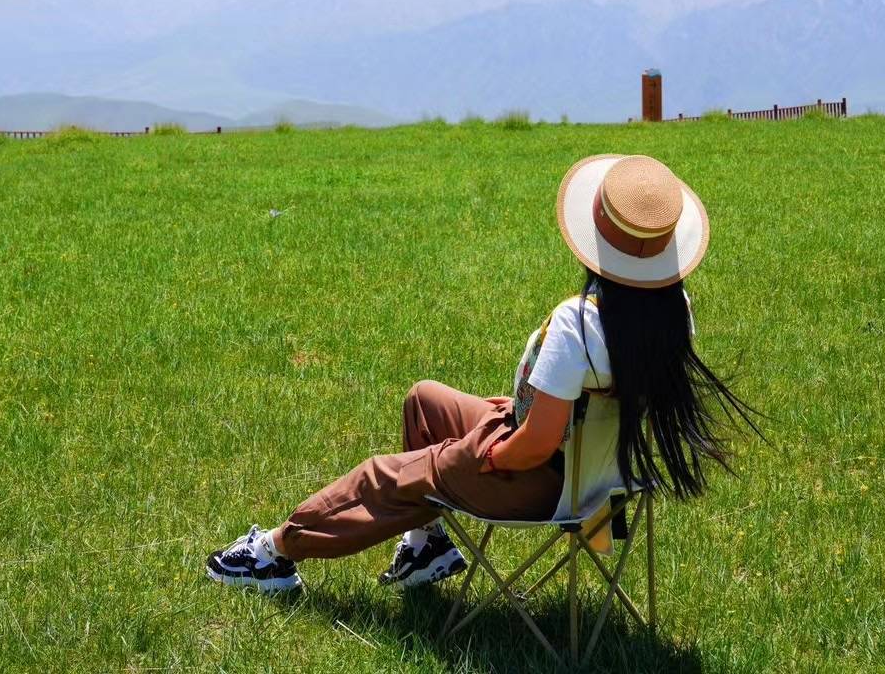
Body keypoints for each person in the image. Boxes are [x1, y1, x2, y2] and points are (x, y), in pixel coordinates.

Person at [206, 153, 763, 592]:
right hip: (610, 491)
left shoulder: (577, 325)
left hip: (544, 486)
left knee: (386, 475)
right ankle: (425, 548)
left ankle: (274, 554)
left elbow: (535, 444)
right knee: (425, 401)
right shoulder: (674, 315)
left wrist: (488, 457)